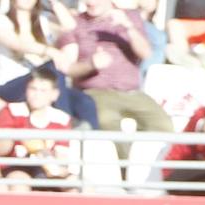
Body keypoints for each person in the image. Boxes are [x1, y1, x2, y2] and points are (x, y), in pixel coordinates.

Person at [59, 0, 173, 138]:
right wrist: (91, 64)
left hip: (132, 93)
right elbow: (68, 68)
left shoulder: (130, 17)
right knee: (108, 124)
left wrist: (128, 27)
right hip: (96, 93)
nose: (91, 2)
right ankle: (124, 159)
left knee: (164, 126)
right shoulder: (75, 23)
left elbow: (146, 53)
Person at [0, 67, 75, 190]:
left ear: (54, 94)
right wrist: (17, 137)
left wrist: (56, 169)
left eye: (43, 91)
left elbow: (62, 155)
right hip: (16, 166)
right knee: (19, 183)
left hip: (47, 169)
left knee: (77, 184)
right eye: (33, 89)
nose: (36, 95)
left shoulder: (61, 119)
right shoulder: (12, 111)